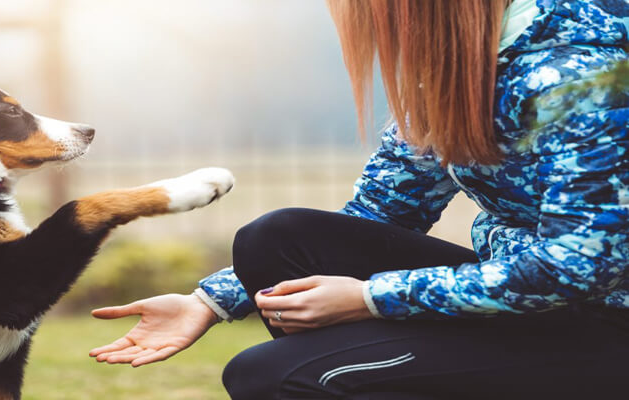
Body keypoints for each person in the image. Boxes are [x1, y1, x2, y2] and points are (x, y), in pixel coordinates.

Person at [89, 1, 629, 398]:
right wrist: (207, 303)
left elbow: (578, 268)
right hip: (538, 308)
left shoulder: (580, 78)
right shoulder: (460, 72)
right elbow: (378, 213)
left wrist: (372, 297)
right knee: (278, 239)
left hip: (607, 325)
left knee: (271, 377)